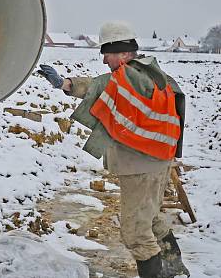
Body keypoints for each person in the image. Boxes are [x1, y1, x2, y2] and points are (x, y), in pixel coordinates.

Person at [38, 21, 189, 278]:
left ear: (122, 52)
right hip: (159, 160)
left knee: (135, 233)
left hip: (139, 165)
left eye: (106, 53)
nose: (104, 59)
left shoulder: (127, 77)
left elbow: (97, 86)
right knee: (150, 218)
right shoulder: (156, 73)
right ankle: (173, 269)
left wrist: (63, 83)